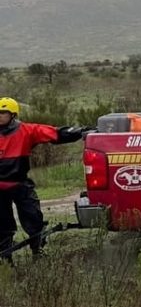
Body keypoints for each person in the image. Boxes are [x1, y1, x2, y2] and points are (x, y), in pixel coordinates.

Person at [0, 97, 86, 263]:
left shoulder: (26, 130)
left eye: (3, 113)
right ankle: (5, 259)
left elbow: (55, 133)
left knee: (34, 218)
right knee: (2, 226)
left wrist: (81, 132)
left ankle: (38, 251)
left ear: (13, 114)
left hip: (20, 184)